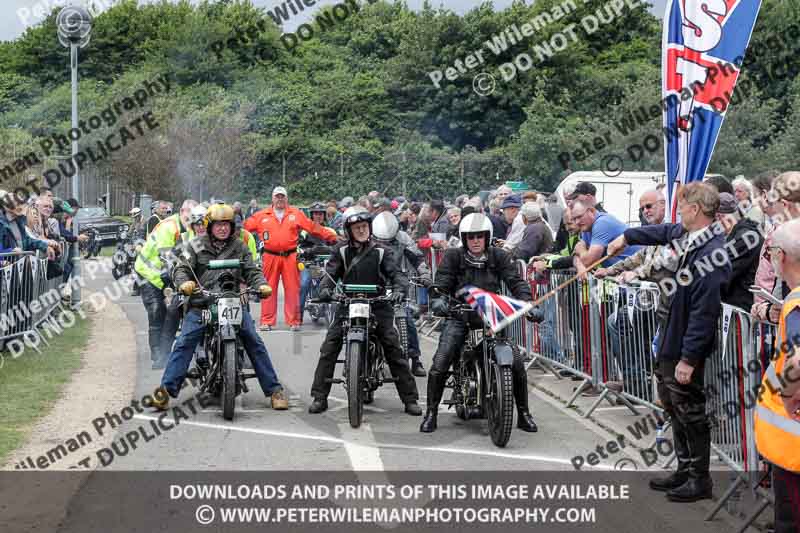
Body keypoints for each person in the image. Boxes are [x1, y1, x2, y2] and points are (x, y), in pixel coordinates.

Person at [607, 181, 730, 502]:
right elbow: (662, 231)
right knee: (673, 406)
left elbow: (705, 313)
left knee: (689, 410)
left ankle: (699, 479)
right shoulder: (691, 236)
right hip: (669, 336)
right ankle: (684, 468)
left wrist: (689, 359)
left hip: (684, 345)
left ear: (696, 209)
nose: (679, 213)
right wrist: (628, 236)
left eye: (683, 206)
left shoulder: (712, 252)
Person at [152, 203, 288, 411]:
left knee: (254, 340)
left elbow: (251, 270)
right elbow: (181, 269)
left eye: (227, 224)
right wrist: (184, 283)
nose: (223, 228)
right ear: (209, 226)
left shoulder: (239, 246)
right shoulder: (195, 245)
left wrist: (261, 284)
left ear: (232, 226)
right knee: (184, 342)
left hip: (232, 301)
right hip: (202, 304)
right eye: (218, 225)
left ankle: (275, 390)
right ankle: (165, 391)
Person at [419, 213, 542, 434]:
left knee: (516, 364)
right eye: (471, 237)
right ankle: (431, 412)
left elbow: (515, 281)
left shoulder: (499, 257)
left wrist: (529, 303)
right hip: (460, 315)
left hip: (490, 318)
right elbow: (442, 283)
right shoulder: (453, 256)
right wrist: (438, 300)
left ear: (487, 237)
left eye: (480, 236)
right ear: (464, 239)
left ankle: (523, 413)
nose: (475, 241)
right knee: (441, 362)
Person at [308, 206, 422, 416]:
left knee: (393, 347)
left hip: (378, 303)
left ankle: (410, 399)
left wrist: (398, 290)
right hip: (347, 303)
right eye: (356, 228)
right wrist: (325, 289)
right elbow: (331, 273)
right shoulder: (340, 250)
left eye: (364, 226)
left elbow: (397, 275)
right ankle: (319, 397)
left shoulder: (382, 251)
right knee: (329, 347)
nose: (361, 230)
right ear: (348, 231)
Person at [754, 218, 800, 533]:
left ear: (780, 255)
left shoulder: (795, 302)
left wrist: (787, 395)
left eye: (770, 251)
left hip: (792, 446)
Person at [244, 187, 337, 332]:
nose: (280, 199)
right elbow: (244, 228)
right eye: (277, 196)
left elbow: (313, 227)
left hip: (290, 256)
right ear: (272, 199)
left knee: (293, 289)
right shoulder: (261, 215)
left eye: (282, 197)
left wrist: (332, 236)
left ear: (286, 199)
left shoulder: (295, 213)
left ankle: (293, 321)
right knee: (268, 289)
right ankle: (267, 321)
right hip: (270, 256)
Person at [134, 199, 198, 369]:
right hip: (148, 273)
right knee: (157, 312)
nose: (192, 219)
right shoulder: (169, 227)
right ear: (182, 211)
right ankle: (157, 354)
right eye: (189, 215)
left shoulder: (189, 229)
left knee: (172, 312)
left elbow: (190, 254)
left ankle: (166, 351)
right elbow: (166, 259)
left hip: (165, 275)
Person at [372, 211, 430, 377]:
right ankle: (357, 354)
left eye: (389, 241)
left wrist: (424, 274)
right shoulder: (367, 237)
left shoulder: (403, 238)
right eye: (381, 241)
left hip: (397, 282)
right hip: (375, 283)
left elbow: (417, 258)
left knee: (408, 320)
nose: (385, 244)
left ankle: (415, 359)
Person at [715, 192, 764, 311]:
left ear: (719, 216)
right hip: (734, 303)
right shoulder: (738, 233)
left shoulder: (745, 238)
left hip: (741, 305)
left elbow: (723, 271)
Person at [571, 201, 640, 275]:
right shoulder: (585, 228)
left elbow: (588, 261)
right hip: (622, 272)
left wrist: (581, 250)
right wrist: (579, 266)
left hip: (638, 271)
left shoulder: (602, 223)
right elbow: (576, 257)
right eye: (574, 219)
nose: (577, 222)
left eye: (579, 217)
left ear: (591, 211)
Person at [298, 202, 334, 323]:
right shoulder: (304, 231)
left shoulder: (330, 230)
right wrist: (308, 251)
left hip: (327, 264)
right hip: (310, 263)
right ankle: (298, 316)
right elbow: (298, 247)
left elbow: (337, 246)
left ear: (324, 215)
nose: (318, 216)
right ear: (311, 216)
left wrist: (328, 249)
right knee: (304, 284)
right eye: (315, 214)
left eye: (320, 214)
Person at [0, 191, 57, 257]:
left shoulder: (19, 222)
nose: (19, 206)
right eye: (15, 203)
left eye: (20, 203)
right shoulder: (2, 224)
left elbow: (28, 240)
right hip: (8, 265)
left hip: (21, 265)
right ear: (6, 207)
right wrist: (10, 251)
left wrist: (45, 247)